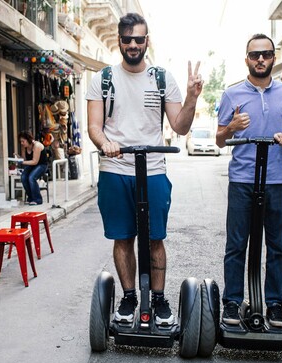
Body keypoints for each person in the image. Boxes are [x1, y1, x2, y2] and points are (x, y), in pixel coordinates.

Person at [86, 13, 203, 326]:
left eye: (139, 39)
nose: (133, 44)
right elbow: (94, 127)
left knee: (154, 239)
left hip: (152, 170)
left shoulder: (162, 79)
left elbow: (179, 126)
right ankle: (128, 298)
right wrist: (105, 142)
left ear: (146, 40)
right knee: (122, 238)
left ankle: (160, 299)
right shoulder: (103, 79)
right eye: (127, 39)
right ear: (120, 41)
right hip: (114, 168)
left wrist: (191, 98)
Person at [215, 33, 282, 328]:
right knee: (237, 244)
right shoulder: (232, 94)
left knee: (277, 245)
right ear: (247, 59)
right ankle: (232, 301)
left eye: (265, 54)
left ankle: (274, 302)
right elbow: (219, 140)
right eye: (254, 55)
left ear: (273, 57)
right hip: (242, 180)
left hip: (276, 179)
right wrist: (232, 127)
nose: (260, 59)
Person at [18, 131, 49, 206]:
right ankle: (31, 198)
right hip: (32, 165)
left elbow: (35, 161)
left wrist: (22, 162)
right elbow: (25, 159)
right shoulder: (24, 147)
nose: (22, 143)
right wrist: (18, 158)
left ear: (28, 140)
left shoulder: (37, 146)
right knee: (23, 177)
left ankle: (38, 199)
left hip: (42, 165)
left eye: (23, 141)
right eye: (21, 141)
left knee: (31, 177)